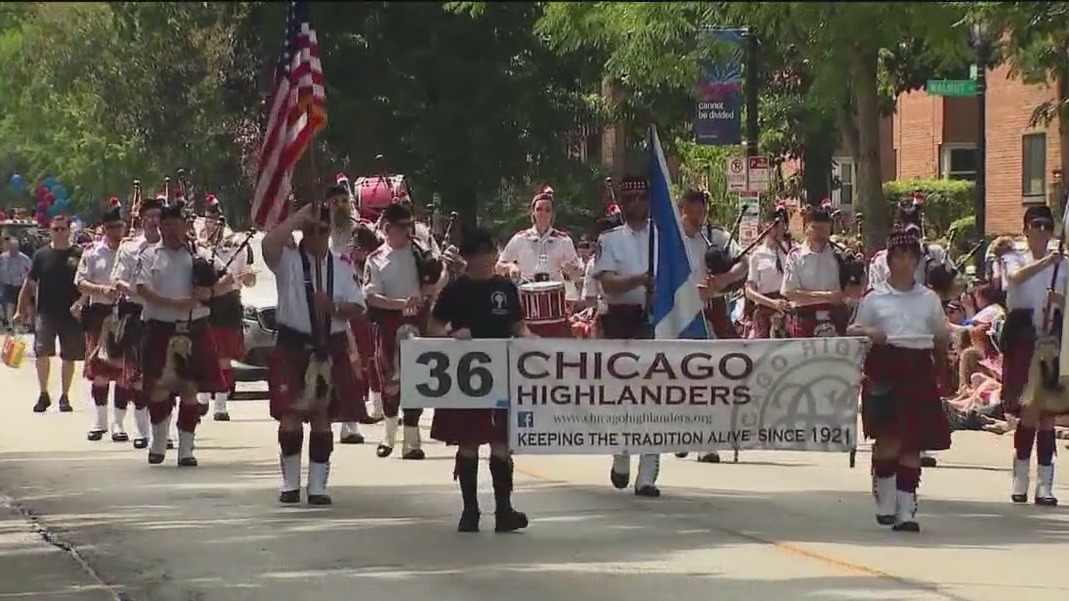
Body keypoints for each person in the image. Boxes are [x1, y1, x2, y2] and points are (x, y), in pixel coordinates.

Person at [261, 199, 368, 505]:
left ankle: (318, 486)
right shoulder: (288, 261)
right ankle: (290, 483)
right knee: (291, 414)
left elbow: (359, 308)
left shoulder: (341, 265)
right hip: (293, 343)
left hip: (327, 344)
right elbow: (269, 243)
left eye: (323, 230)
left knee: (322, 416)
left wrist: (333, 307)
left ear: (330, 231)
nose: (317, 236)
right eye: (311, 230)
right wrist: (297, 217)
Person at [428, 227, 533, 533]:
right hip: (466, 376)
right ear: (468, 257)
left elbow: (519, 327)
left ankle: (504, 510)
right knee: (469, 441)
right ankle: (470, 511)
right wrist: (451, 334)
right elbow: (433, 329)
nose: (487, 258)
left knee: (501, 442)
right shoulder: (455, 291)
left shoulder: (506, 289)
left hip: (502, 373)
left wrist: (535, 342)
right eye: (480, 252)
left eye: (491, 251)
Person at [850, 226, 952, 532]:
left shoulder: (929, 298)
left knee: (913, 442)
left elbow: (941, 335)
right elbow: (853, 330)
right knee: (890, 440)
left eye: (912, 256)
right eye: (900, 256)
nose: (906, 262)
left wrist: (943, 364)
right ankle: (885, 495)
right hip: (885, 365)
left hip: (918, 367)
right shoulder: (874, 297)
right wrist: (870, 332)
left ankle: (906, 509)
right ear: (890, 260)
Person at [135, 202, 232, 467]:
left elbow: (229, 278)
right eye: (165, 224)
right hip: (159, 327)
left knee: (190, 389)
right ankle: (158, 442)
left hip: (193, 329)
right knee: (158, 388)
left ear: (184, 225)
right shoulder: (148, 254)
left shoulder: (201, 253)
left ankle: (186, 449)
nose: (169, 229)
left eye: (174, 224)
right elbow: (142, 289)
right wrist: (173, 303)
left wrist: (210, 292)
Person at [592, 175, 661, 497]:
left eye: (642, 199)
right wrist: (640, 280)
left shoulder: (662, 238)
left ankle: (647, 473)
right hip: (620, 320)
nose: (637, 205)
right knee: (620, 395)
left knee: (652, 397)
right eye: (631, 199)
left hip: (653, 321)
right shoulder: (610, 240)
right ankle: (621, 454)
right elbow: (608, 284)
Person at [365, 201, 448, 459]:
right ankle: (388, 435)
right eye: (402, 227)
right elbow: (372, 296)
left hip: (419, 322)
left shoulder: (420, 252)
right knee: (390, 378)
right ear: (388, 228)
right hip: (390, 324)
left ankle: (412, 441)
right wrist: (402, 304)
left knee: (417, 379)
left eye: (409, 226)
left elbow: (441, 274)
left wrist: (431, 290)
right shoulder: (375, 259)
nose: (408, 232)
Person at [1000, 205, 1064, 507]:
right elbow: (1013, 280)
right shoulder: (1013, 256)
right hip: (1023, 339)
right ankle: (1020, 478)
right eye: (1036, 226)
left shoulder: (1063, 265)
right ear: (1025, 228)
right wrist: (1044, 264)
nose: (1042, 232)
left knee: (1048, 415)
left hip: (1051, 341)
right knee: (1028, 413)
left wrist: (1059, 299)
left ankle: (1046, 484)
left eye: (1047, 227)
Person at [15, 214, 85, 413]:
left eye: (63, 229)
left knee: (68, 356)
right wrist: (20, 310)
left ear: (70, 230)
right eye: (56, 229)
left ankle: (65, 396)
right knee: (42, 353)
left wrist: (82, 303)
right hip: (45, 312)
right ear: (50, 231)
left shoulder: (78, 254)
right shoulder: (41, 255)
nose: (60, 232)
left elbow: (87, 284)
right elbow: (28, 285)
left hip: (71, 314)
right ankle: (43, 393)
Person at [111, 196, 165, 449]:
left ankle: (162, 430)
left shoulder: (172, 248)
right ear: (141, 219)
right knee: (135, 376)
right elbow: (118, 280)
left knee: (163, 376)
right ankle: (142, 431)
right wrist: (137, 290)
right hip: (135, 314)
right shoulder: (129, 248)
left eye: (158, 216)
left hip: (164, 315)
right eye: (150, 216)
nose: (154, 221)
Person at [496, 185, 584, 336]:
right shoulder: (520, 238)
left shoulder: (563, 240)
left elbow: (578, 273)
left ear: (553, 215)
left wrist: (571, 270)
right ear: (533, 213)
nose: (543, 213)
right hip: (526, 299)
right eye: (539, 209)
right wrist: (511, 266)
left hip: (555, 302)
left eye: (547, 210)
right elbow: (498, 266)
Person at [75, 201, 129, 442]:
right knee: (100, 371)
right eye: (111, 227)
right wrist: (101, 289)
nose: (116, 232)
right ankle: (100, 421)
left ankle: (119, 424)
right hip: (100, 314)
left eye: (119, 226)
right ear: (104, 228)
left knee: (124, 371)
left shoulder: (131, 250)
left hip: (127, 314)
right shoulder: (92, 252)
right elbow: (80, 281)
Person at [197, 200, 256, 422]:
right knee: (204, 352)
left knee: (224, 357)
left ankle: (221, 403)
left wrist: (248, 277)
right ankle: (202, 397)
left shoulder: (238, 243)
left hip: (228, 303)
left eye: (214, 220)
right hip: (205, 302)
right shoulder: (199, 244)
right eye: (208, 220)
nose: (211, 225)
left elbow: (249, 276)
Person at [325, 179, 374, 444]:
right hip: (324, 307)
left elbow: (378, 259)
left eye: (344, 201)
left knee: (355, 363)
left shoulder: (362, 231)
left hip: (353, 301)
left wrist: (363, 256)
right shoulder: (320, 233)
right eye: (334, 202)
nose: (340, 207)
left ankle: (351, 421)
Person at [678, 189, 747, 340]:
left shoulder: (716, 235)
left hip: (713, 305)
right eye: (692, 213)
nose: (697, 218)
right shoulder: (670, 237)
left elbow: (743, 263)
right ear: (681, 211)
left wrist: (724, 278)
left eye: (701, 212)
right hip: (681, 307)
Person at [780, 207, 852, 337]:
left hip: (836, 317)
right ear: (806, 228)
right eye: (816, 228)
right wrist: (827, 296)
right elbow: (789, 292)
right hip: (806, 318)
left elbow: (853, 290)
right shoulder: (795, 256)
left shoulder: (839, 254)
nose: (820, 234)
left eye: (825, 229)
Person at [746, 204, 793, 339]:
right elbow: (749, 291)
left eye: (783, 224)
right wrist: (772, 303)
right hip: (766, 309)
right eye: (776, 224)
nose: (779, 229)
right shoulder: (757, 255)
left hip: (788, 309)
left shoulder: (791, 252)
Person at [0, 237, 31, 327]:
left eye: (15, 247)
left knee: (21, 305)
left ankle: (21, 324)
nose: (14, 249)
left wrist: (26, 277)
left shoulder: (23, 257)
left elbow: (31, 267)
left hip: (20, 284)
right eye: (12, 247)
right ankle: (10, 324)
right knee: (9, 304)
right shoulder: (2, 257)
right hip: (7, 284)